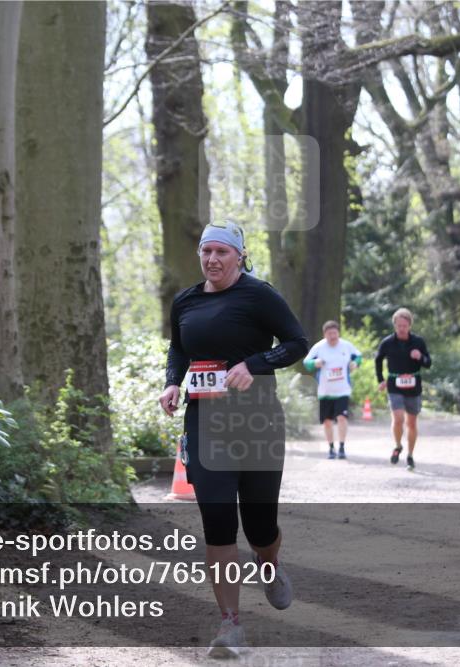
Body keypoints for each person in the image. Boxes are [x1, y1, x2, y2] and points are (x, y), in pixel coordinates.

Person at [158, 221, 309, 658]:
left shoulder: (259, 294)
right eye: (206, 251)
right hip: (205, 424)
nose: (212, 260)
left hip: (257, 422)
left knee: (260, 525)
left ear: (239, 256)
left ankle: (269, 562)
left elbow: (297, 342)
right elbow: (179, 349)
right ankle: (230, 625)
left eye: (222, 252)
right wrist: (172, 383)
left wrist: (255, 364)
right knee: (218, 523)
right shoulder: (185, 300)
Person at [375, 308, 431, 470]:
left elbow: (428, 363)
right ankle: (398, 445)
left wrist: (420, 357)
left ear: (410, 326)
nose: (401, 328)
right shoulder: (387, 343)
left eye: (404, 325)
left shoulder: (418, 342)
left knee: (411, 423)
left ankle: (410, 455)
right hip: (394, 384)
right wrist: (381, 379)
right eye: (399, 325)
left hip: (414, 386)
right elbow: (378, 360)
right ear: (394, 325)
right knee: (398, 418)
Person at [303, 321, 361, 460]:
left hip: (342, 390)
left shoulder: (346, 346)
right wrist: (314, 363)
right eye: (329, 334)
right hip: (325, 392)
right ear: (325, 335)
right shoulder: (319, 347)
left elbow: (358, 356)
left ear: (338, 333)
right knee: (327, 421)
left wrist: (355, 364)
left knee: (342, 417)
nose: (333, 336)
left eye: (335, 333)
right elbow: (306, 363)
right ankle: (331, 448)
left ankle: (341, 447)